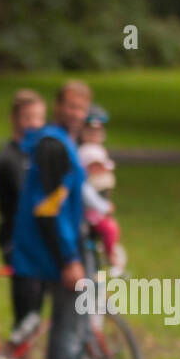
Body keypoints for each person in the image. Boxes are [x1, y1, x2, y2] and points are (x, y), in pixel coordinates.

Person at [9, 80, 104, 359]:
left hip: (55, 250)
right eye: (71, 106)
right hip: (57, 254)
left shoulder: (59, 143)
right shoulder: (53, 146)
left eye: (83, 108)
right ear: (58, 106)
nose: (77, 114)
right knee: (69, 330)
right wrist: (69, 259)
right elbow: (50, 208)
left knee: (67, 328)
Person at [0, 89, 48, 359]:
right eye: (28, 119)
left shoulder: (36, 156)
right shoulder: (10, 160)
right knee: (24, 320)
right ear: (15, 120)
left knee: (33, 322)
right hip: (19, 247)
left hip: (37, 250)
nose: (34, 126)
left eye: (39, 120)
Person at [77, 105, 127, 277]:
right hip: (91, 210)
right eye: (90, 131)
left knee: (109, 230)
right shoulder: (88, 152)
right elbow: (85, 188)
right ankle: (111, 258)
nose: (94, 135)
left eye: (98, 131)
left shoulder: (96, 150)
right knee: (109, 229)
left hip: (97, 206)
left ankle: (108, 256)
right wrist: (102, 206)